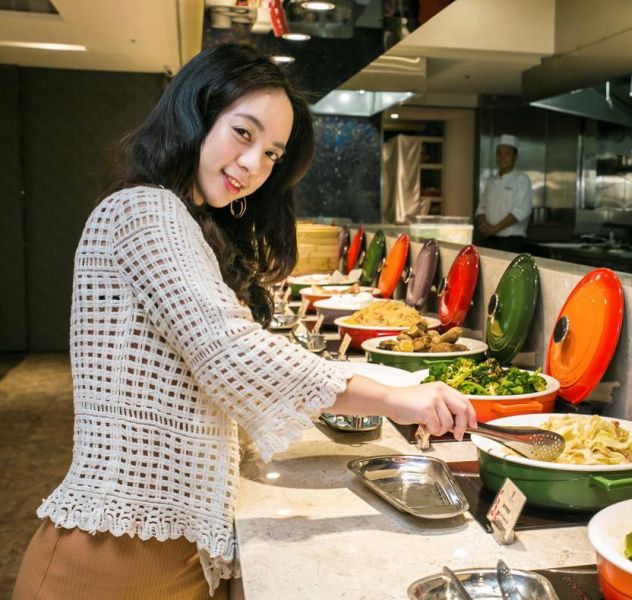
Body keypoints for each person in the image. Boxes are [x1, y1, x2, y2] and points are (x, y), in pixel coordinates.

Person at [12, 43, 476, 600]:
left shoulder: (179, 215)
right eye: (244, 133)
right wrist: (398, 398)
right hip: (114, 560)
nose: (256, 164)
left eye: (273, 154)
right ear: (195, 114)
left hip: (166, 549)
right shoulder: (144, 209)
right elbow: (229, 351)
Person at [475, 134, 533, 253]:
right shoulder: (491, 181)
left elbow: (520, 212)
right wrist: (484, 226)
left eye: (507, 154)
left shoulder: (522, 180)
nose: (502, 157)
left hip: (511, 242)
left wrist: (495, 228)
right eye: (499, 154)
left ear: (515, 157)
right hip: (489, 240)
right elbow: (481, 209)